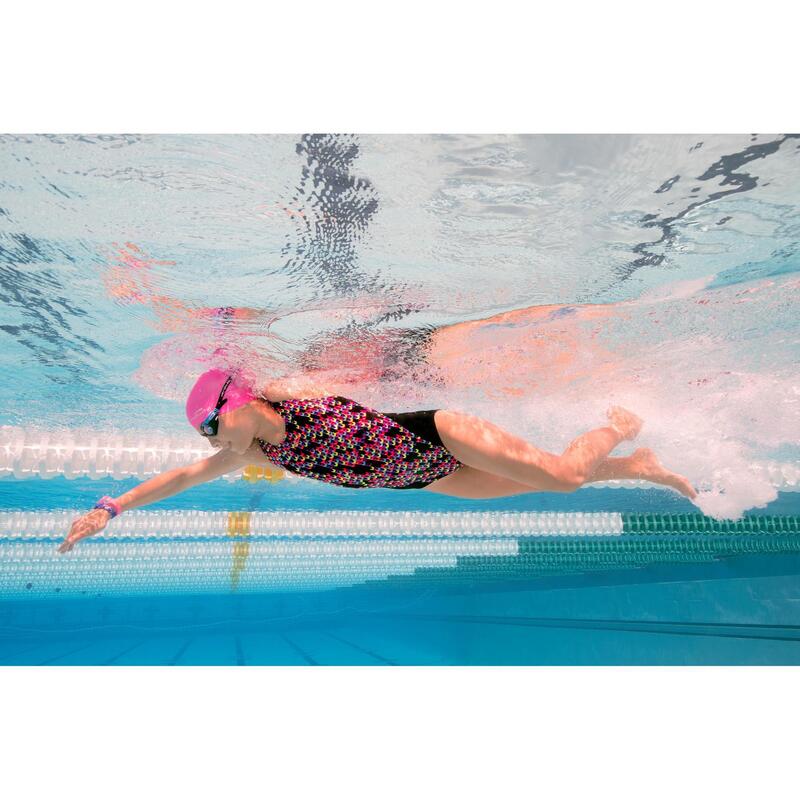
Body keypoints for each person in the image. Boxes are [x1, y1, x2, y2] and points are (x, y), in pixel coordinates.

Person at [57, 369, 697, 553]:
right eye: (204, 434)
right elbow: (181, 477)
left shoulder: (289, 391)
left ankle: (616, 429)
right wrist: (110, 507)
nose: (212, 441)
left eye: (213, 424)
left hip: (440, 436)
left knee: (561, 477)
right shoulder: (255, 450)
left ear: (239, 400)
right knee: (546, 481)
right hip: (433, 479)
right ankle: (638, 464)